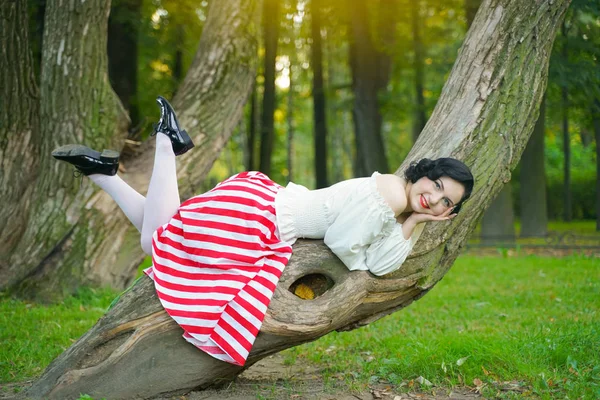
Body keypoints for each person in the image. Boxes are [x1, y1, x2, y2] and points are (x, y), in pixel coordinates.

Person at [52, 96, 474, 367]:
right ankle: (166, 143)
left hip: (267, 213)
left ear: (448, 211)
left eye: (444, 203)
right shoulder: (390, 196)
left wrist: (416, 224)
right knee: (158, 238)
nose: (433, 200)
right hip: (262, 218)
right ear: (426, 174)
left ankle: (103, 174)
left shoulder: (400, 202)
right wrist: (376, 245)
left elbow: (381, 262)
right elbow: (347, 248)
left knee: (159, 235)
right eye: (436, 186)